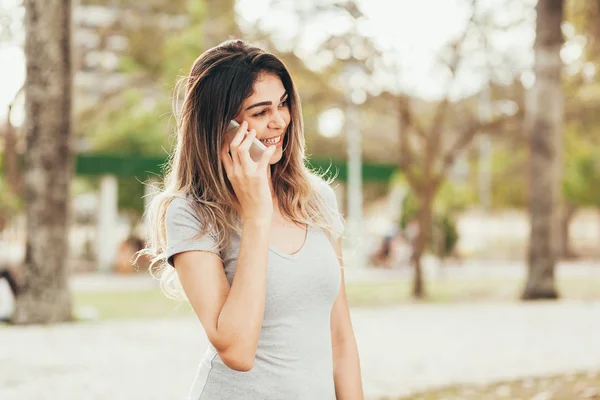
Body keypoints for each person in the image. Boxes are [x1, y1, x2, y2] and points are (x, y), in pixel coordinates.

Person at [140, 39, 364, 400]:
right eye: (261, 112)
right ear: (222, 126)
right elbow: (237, 351)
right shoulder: (190, 211)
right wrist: (257, 212)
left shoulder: (316, 197)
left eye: (283, 104)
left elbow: (340, 339)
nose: (279, 121)